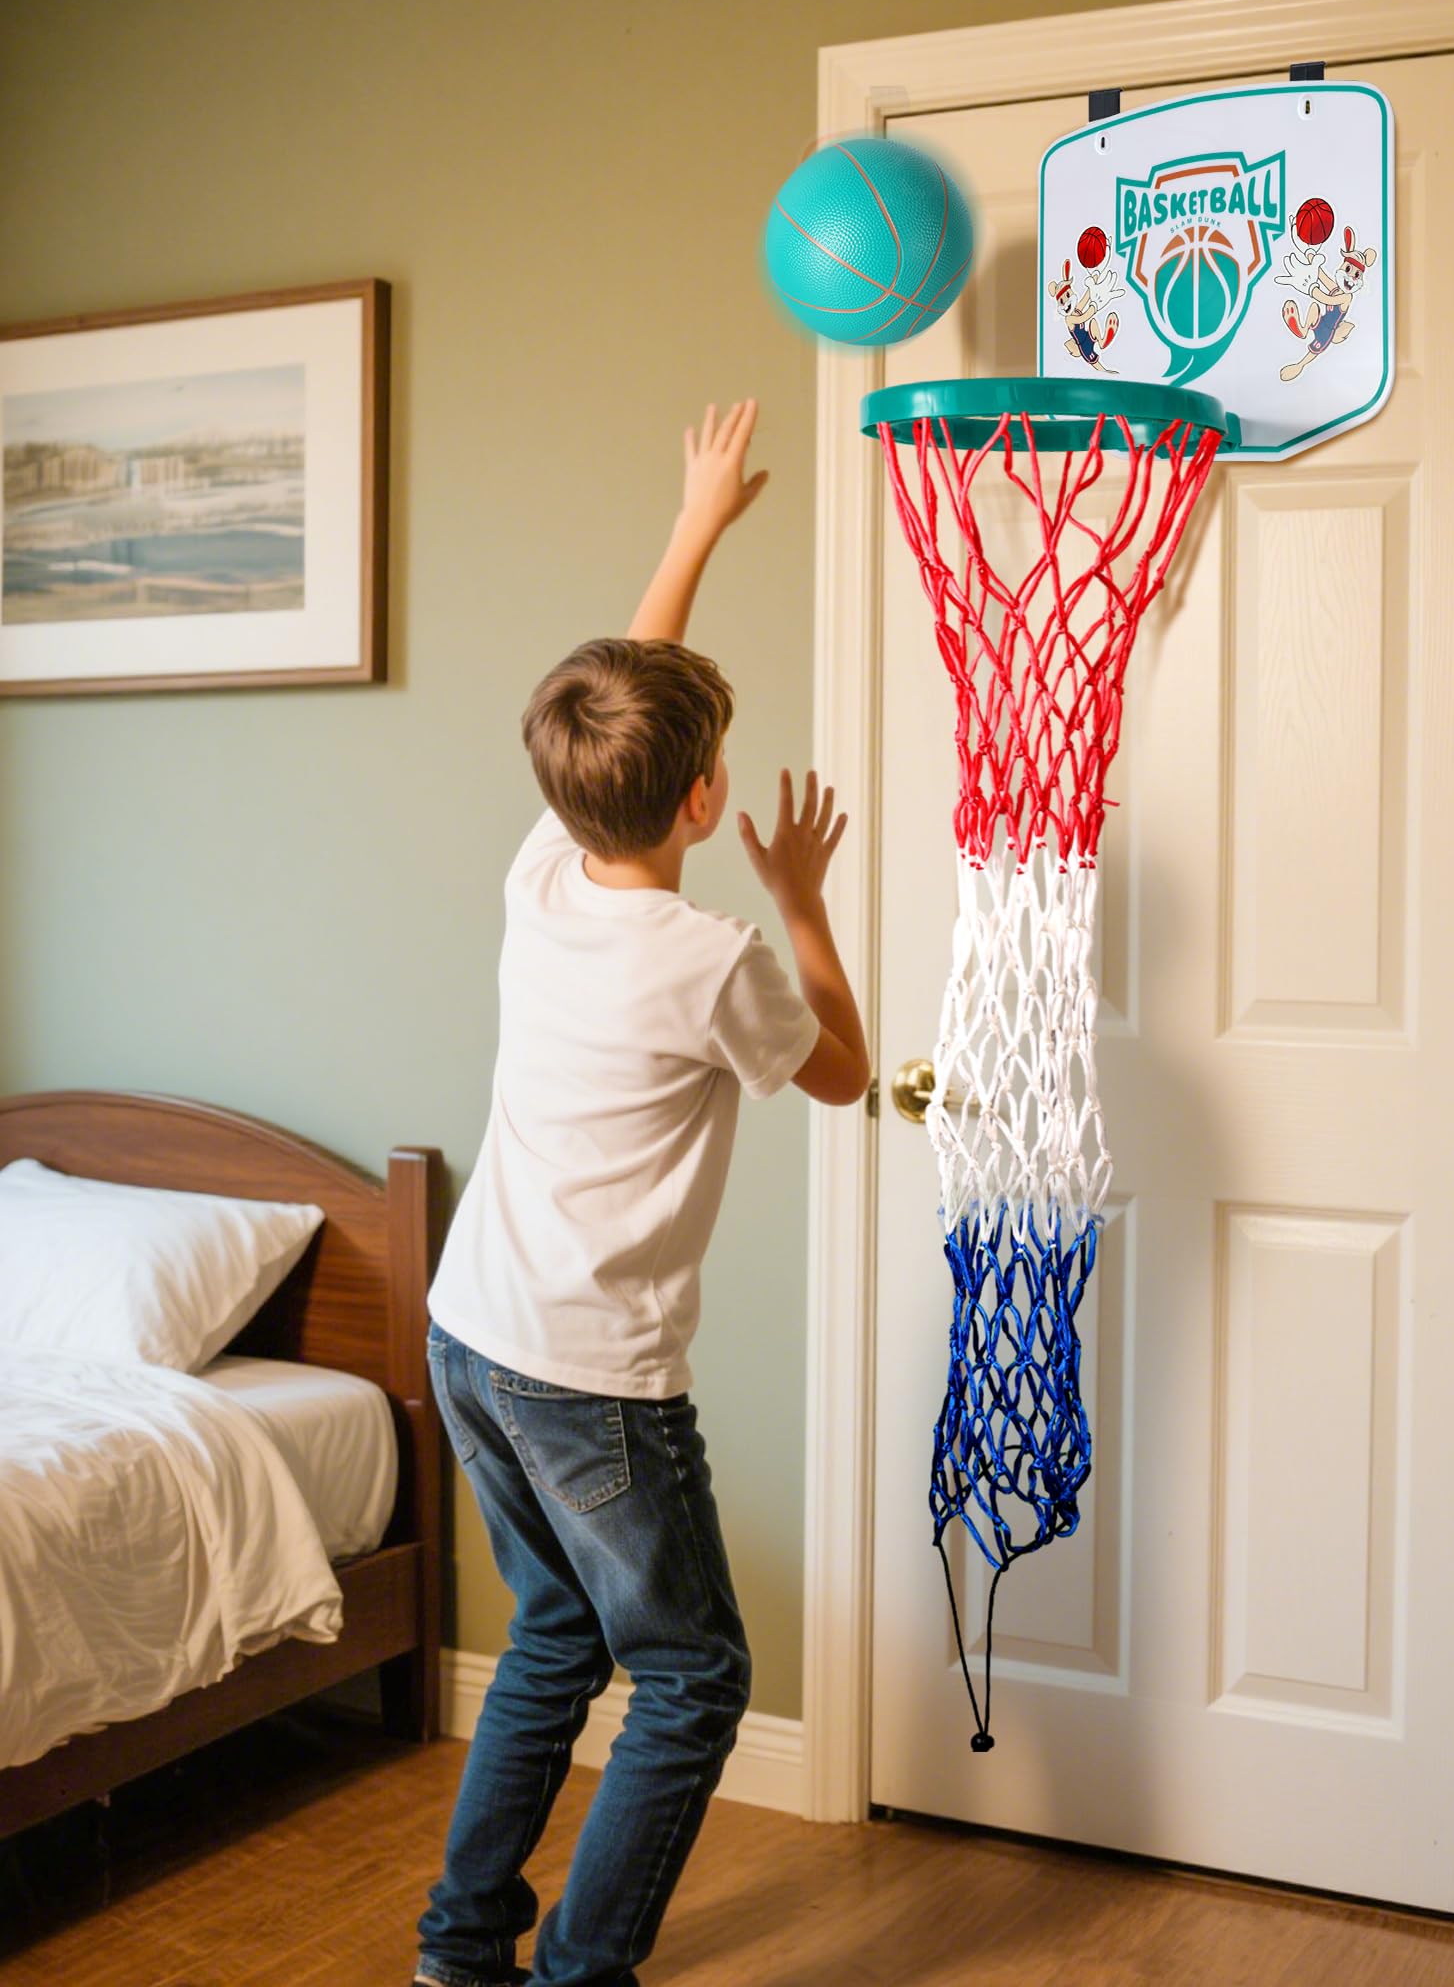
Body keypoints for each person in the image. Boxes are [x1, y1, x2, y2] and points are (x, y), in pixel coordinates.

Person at [415, 398, 871, 1987]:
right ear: (703, 802)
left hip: (471, 1335)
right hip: (589, 1381)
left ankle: (459, 1948)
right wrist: (800, 903)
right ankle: (573, 1974)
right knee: (691, 1680)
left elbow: (626, 692)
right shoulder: (714, 958)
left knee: (554, 1635)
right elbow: (845, 1072)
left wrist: (694, 526)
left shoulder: (542, 876)